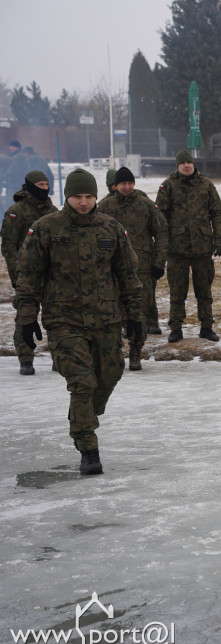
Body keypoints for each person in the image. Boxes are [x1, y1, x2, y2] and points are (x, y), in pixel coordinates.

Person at [15, 169, 144, 475]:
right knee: (82, 382)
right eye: (77, 197)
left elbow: (128, 275)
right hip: (65, 320)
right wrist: (27, 317)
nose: (84, 202)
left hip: (107, 318)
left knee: (111, 374)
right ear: (67, 197)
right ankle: (88, 446)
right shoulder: (45, 228)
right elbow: (29, 275)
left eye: (89, 196)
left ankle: (84, 415)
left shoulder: (111, 228)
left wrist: (136, 315)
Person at [97, 167, 168, 370]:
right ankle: (115, 353)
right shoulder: (105, 205)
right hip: (113, 269)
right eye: (123, 184)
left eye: (130, 183)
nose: (127, 187)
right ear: (116, 186)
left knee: (139, 312)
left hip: (142, 269)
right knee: (114, 312)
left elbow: (162, 234)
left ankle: (136, 352)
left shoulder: (145, 205)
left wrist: (158, 262)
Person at [156, 150, 221, 343]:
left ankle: (206, 326)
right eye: (183, 162)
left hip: (202, 247)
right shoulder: (168, 186)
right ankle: (176, 327)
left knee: (204, 290)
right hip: (176, 249)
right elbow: (159, 218)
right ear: (177, 165)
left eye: (189, 162)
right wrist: (163, 244)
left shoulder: (206, 185)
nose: (187, 165)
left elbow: (217, 213)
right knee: (177, 291)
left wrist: (219, 239)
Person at [2, 169, 57, 374]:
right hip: (27, 275)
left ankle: (58, 356)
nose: (45, 188)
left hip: (51, 275)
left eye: (46, 184)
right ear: (31, 186)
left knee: (54, 315)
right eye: (40, 185)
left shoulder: (52, 210)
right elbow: (8, 246)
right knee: (25, 316)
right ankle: (26, 359)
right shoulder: (16, 211)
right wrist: (17, 275)